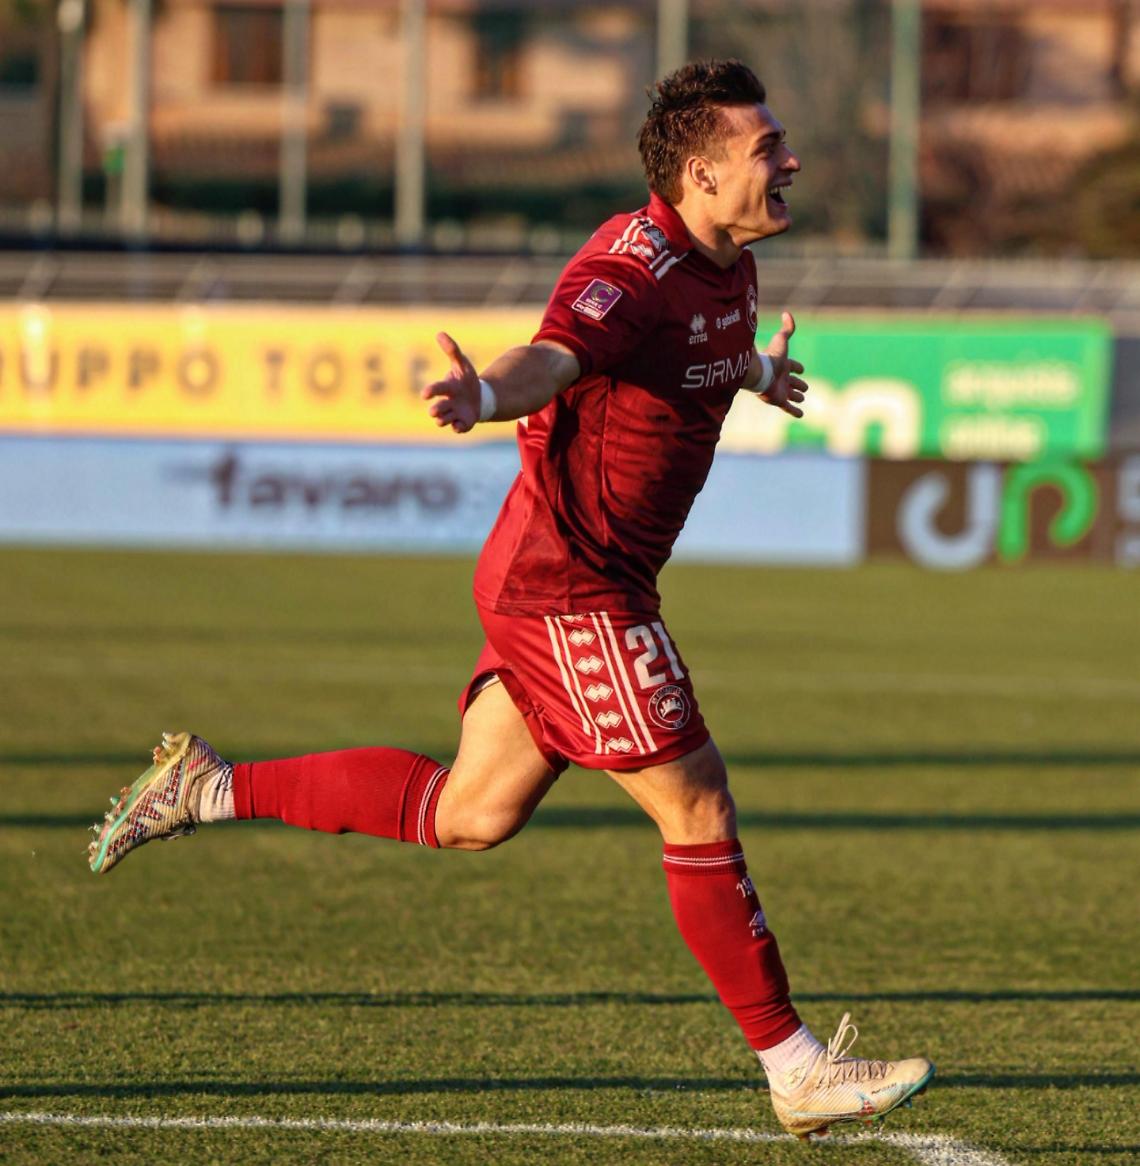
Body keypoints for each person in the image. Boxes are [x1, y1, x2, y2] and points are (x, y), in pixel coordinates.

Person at [88, 59, 933, 1140]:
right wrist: (487, 394)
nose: (792, 160)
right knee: (698, 802)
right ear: (703, 172)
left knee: (470, 812)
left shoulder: (726, 262)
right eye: (769, 148)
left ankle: (207, 787)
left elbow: (683, 362)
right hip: (569, 587)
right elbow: (555, 355)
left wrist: (758, 377)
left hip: (575, 580)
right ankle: (795, 1065)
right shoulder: (630, 268)